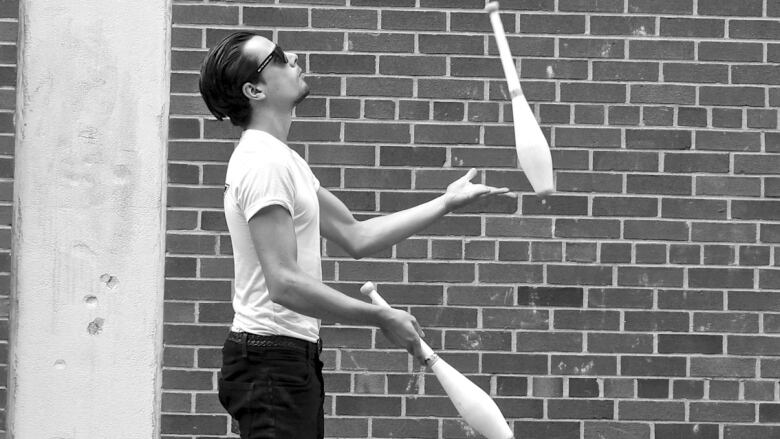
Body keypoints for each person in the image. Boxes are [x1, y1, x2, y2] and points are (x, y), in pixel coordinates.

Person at [198, 31, 510, 439]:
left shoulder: (284, 160)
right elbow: (284, 282)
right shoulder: (262, 164)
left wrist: (445, 202)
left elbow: (355, 234)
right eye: (275, 56)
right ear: (254, 89)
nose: (291, 56)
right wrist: (379, 316)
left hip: (289, 358)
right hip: (270, 360)